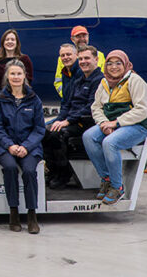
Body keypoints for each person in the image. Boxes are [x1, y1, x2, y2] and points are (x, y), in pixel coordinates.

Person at [83, 50, 147, 206]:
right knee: (88, 137)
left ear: (125, 64)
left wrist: (116, 123)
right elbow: (96, 107)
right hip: (111, 123)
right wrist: (103, 123)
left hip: (136, 125)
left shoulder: (134, 80)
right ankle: (107, 178)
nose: (113, 67)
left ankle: (117, 187)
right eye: (110, 63)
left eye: (118, 63)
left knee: (110, 143)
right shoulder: (104, 83)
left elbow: (142, 109)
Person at [0, 60, 45, 234]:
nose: (15, 77)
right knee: (10, 168)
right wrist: (10, 146)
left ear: (25, 76)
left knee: (30, 171)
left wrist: (26, 147)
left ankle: (32, 215)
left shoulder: (34, 99)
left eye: (19, 74)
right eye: (12, 74)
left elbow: (39, 129)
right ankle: (13, 212)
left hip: (29, 147)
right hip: (5, 146)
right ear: (7, 76)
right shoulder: (0, 99)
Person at [43, 44, 104, 189]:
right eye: (81, 58)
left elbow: (90, 108)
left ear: (96, 59)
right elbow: (67, 105)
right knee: (45, 132)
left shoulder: (99, 81)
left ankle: (64, 175)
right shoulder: (78, 81)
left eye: (86, 58)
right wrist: (59, 120)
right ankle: (53, 172)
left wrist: (67, 121)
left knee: (58, 135)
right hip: (73, 119)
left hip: (87, 122)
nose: (83, 61)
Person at [54, 26, 105, 98]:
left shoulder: (99, 55)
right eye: (78, 36)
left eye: (84, 36)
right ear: (72, 39)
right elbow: (58, 81)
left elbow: (103, 79)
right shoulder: (63, 58)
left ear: (88, 37)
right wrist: (67, 95)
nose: (82, 39)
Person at [0, 29, 34, 94]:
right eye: (7, 39)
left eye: (12, 40)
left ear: (17, 43)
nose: (10, 42)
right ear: (3, 43)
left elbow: (29, 80)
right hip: (2, 98)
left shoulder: (25, 60)